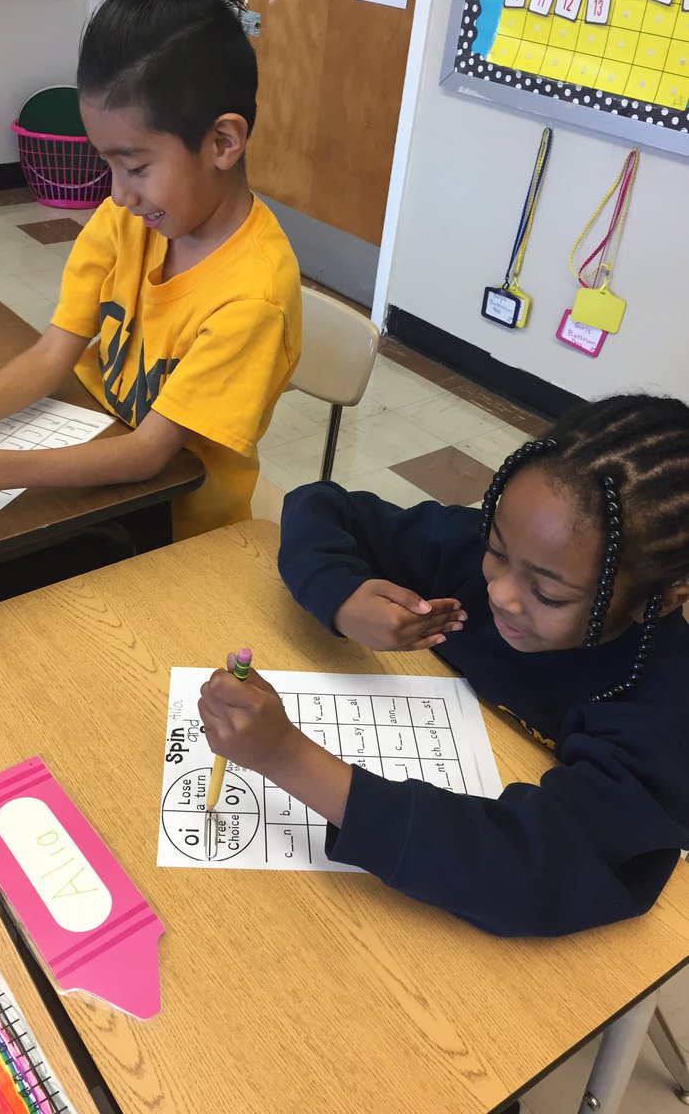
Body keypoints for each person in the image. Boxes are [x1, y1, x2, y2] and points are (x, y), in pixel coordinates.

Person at [198, 394, 689, 936]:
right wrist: (343, 596)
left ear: (657, 600)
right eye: (496, 548)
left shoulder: (663, 710)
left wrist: (285, 758)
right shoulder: (475, 554)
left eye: (547, 594)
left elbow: (537, 871)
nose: (500, 593)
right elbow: (321, 505)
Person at [0, 0, 301, 539]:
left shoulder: (254, 298)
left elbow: (152, 454)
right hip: (91, 454)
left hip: (175, 526)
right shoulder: (130, 219)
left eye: (135, 166)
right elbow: (55, 351)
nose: (119, 193)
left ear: (223, 142)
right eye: (108, 163)